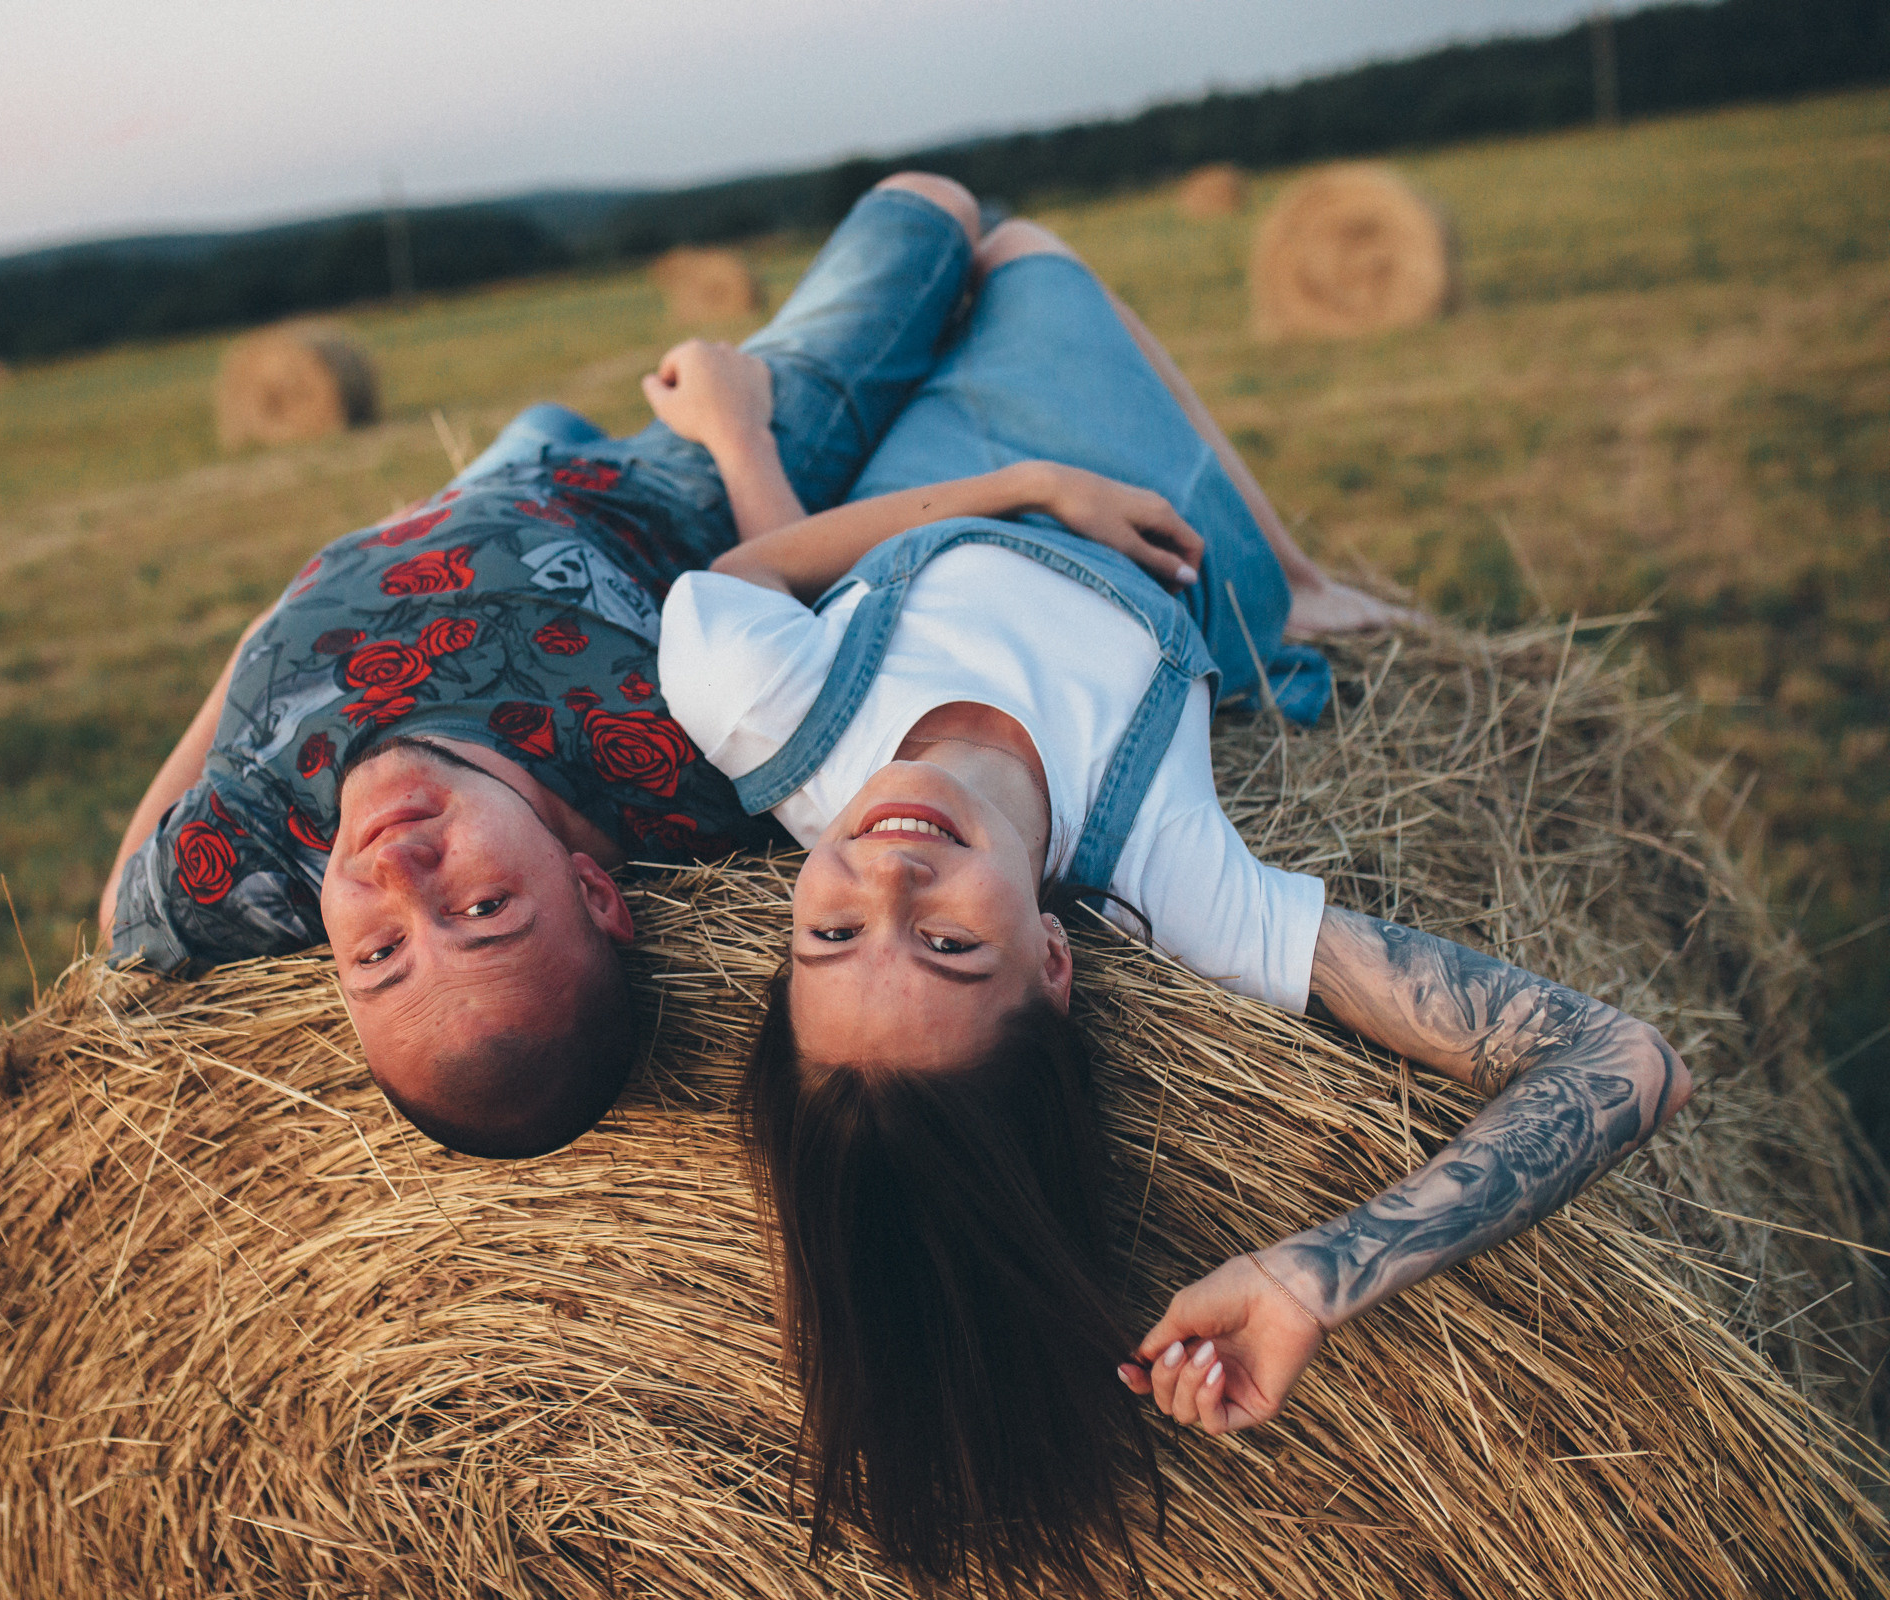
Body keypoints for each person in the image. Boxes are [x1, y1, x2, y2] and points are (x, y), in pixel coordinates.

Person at [649, 220, 1689, 1592]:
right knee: (1031, 247)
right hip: (1177, 546)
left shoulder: (769, 720)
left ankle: (1294, 573)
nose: (886, 875)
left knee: (960, 221)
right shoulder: (1175, 884)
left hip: (967, 476)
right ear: (1058, 962)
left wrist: (968, 476)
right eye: (950, 943)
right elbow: (1620, 1062)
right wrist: (1316, 1276)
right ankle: (1294, 576)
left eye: (828, 933)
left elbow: (749, 583)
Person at [101, 173, 1001, 1159]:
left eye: (378, 952)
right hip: (662, 481)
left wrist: (254, 644)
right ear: (595, 890)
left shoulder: (252, 865)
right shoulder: (676, 774)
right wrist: (734, 429)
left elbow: (118, 918)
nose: (399, 873)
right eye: (483, 909)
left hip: (461, 499)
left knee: (538, 423)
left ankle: (544, 430)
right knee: (929, 214)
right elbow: (807, 617)